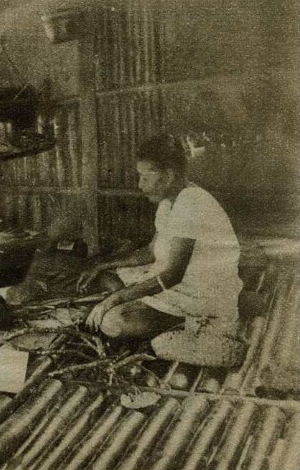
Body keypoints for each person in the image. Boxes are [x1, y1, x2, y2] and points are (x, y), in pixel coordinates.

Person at [77, 133, 243, 339]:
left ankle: (192, 322)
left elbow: (172, 275)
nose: (140, 184)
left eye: (146, 177)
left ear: (170, 175)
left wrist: (112, 300)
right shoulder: (168, 202)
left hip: (197, 296)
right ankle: (137, 306)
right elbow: (150, 252)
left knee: (113, 322)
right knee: (102, 278)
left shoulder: (191, 203)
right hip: (175, 287)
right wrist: (101, 265)